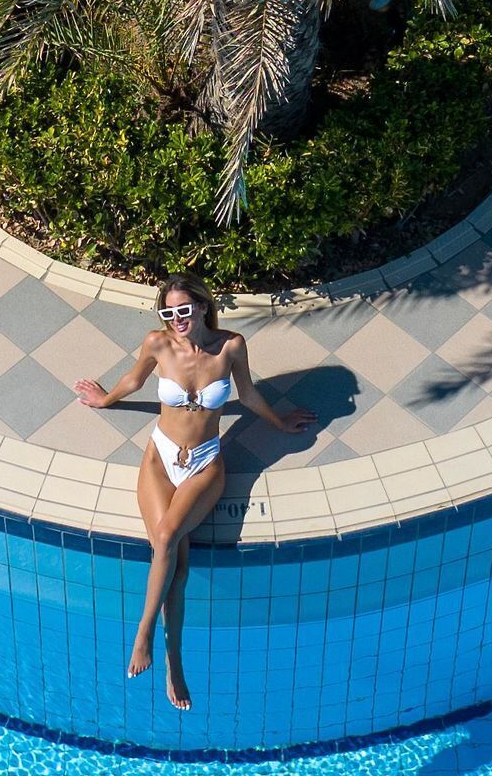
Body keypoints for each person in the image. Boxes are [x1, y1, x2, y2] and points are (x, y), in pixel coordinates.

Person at [74, 280, 316, 710]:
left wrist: (279, 423)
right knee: (177, 564)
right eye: (168, 314)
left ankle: (145, 634)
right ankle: (172, 661)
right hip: (159, 458)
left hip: (204, 464)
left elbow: (247, 393)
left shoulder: (231, 347)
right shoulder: (158, 344)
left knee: (167, 541)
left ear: (203, 307)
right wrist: (105, 400)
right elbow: (134, 380)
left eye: (184, 310)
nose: (177, 321)